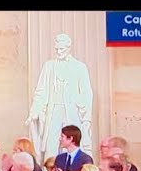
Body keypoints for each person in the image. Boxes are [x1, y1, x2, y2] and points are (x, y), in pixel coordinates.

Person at [26, 33, 93, 161]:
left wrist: (86, 119)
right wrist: (35, 111)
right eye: (57, 49)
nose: (58, 51)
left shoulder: (79, 67)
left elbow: (86, 94)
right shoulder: (49, 66)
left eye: (61, 49)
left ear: (68, 48)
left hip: (72, 111)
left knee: (71, 143)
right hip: (54, 110)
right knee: (51, 144)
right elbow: (41, 91)